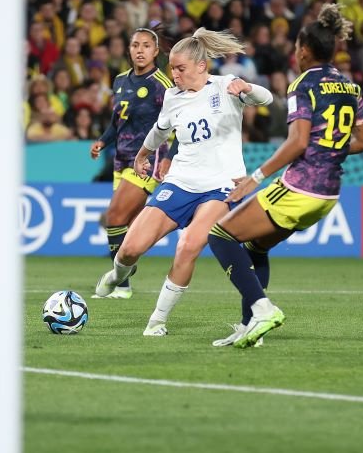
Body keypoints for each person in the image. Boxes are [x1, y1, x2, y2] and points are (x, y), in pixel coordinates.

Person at [207, 5, 363, 349]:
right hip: (329, 194)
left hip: (301, 187)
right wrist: (329, 150)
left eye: (298, 46)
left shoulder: (303, 84)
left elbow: (297, 141)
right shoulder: (351, 87)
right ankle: (250, 326)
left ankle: (262, 309)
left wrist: (256, 177)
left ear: (304, 49)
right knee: (256, 245)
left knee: (220, 235)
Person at [94, 28, 273, 336]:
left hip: (221, 187)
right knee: (130, 250)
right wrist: (142, 155)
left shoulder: (225, 85)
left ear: (201, 66)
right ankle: (117, 275)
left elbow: (266, 97)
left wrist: (248, 88)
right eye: (172, 69)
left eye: (180, 69)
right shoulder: (173, 98)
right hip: (179, 182)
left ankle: (157, 320)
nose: (174, 75)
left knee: (188, 246)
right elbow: (160, 131)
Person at [90, 27, 174, 300]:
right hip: (121, 159)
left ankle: (121, 282)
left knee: (114, 217)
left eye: (146, 46)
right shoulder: (120, 81)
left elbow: (177, 120)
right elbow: (118, 121)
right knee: (125, 224)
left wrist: (169, 158)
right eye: (135, 45)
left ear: (156, 51)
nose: (140, 50)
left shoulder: (161, 83)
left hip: (148, 160)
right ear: (129, 49)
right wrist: (103, 141)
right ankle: (125, 275)